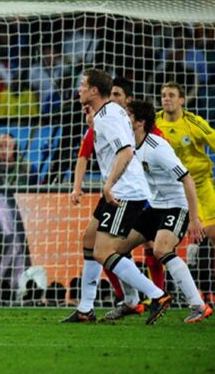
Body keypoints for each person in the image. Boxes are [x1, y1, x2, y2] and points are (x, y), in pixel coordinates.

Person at [63, 69, 171, 325]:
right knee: (89, 238)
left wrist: (108, 185)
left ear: (93, 91)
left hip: (124, 192)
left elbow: (125, 152)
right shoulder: (106, 113)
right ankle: (85, 310)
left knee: (104, 251)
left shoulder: (108, 117)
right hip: (120, 189)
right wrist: (92, 123)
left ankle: (158, 295)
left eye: (83, 85)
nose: (79, 89)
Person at [106, 100, 211, 323]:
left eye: (129, 116)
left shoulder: (157, 147)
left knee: (162, 250)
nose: (125, 119)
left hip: (176, 205)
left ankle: (199, 305)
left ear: (140, 122)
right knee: (115, 249)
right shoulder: (129, 147)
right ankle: (132, 301)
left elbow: (188, 179)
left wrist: (194, 218)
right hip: (154, 206)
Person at [156, 82, 215, 302]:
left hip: (200, 186)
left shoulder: (193, 122)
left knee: (211, 232)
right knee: (159, 244)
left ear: (182, 100)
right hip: (171, 190)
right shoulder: (156, 124)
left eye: (171, 95)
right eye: (163, 95)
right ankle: (163, 293)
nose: (166, 99)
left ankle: (207, 292)